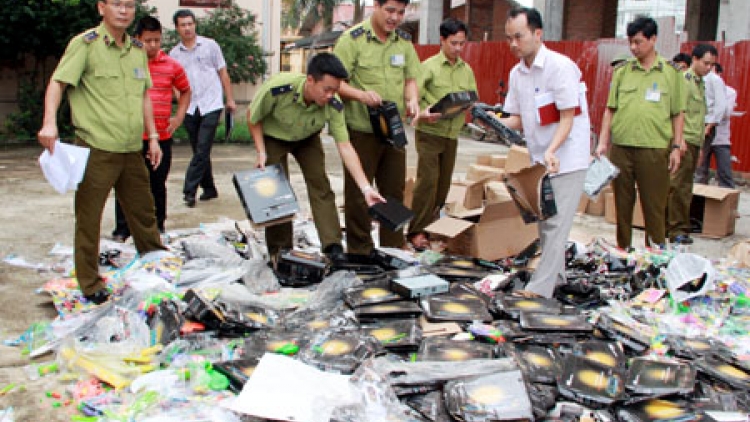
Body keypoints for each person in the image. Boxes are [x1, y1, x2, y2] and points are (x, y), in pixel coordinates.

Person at [37, 0, 166, 304]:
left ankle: (156, 267)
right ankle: (91, 284)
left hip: (131, 148)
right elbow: (58, 83)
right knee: (89, 218)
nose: (124, 10)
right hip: (96, 149)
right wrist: (49, 122)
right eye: (117, 4)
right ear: (101, 8)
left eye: (129, 5)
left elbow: (144, 95)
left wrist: (154, 137)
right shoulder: (85, 45)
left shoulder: (136, 49)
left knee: (145, 214)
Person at [492, 7, 590, 298]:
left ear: (538, 33)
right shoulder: (517, 74)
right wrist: (491, 120)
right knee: (545, 223)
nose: (513, 44)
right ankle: (557, 277)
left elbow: (568, 116)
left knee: (557, 224)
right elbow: (517, 118)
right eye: (509, 38)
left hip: (567, 158)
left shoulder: (560, 67)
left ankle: (539, 290)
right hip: (541, 160)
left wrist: (552, 150)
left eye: (518, 37)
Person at [247, 53, 385, 258]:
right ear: (310, 80)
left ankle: (332, 246)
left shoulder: (334, 104)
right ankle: (280, 250)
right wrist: (261, 152)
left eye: (335, 90)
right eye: (326, 89)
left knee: (320, 185)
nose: (330, 95)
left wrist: (366, 188)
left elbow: (345, 147)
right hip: (274, 137)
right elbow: (253, 117)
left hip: (308, 138)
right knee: (277, 192)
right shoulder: (277, 90)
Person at [333, 0, 421, 255]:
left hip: (393, 131)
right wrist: (360, 95)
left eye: (401, 13)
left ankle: (392, 248)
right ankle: (360, 251)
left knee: (394, 190)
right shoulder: (352, 40)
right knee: (360, 193)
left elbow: (411, 79)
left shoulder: (403, 43)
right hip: (361, 130)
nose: (395, 18)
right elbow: (335, 83)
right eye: (390, 11)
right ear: (376, 6)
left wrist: (412, 99)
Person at [596, 15, 685, 249]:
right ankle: (624, 250)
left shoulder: (670, 74)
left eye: (638, 42)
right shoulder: (623, 72)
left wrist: (676, 147)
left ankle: (654, 255)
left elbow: (678, 113)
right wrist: (603, 142)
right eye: (630, 43)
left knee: (654, 205)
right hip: (621, 149)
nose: (633, 48)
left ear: (653, 39)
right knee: (622, 205)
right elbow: (610, 109)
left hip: (654, 150)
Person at [111, 16, 192, 242]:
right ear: (137, 39)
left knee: (157, 183)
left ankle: (158, 227)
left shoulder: (171, 65)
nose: (153, 45)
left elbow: (185, 91)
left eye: (157, 40)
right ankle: (123, 229)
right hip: (132, 136)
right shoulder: (127, 62)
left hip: (161, 136)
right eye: (148, 41)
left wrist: (178, 117)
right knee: (127, 184)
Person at [406, 18, 477, 250]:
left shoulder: (466, 70)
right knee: (427, 182)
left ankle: (432, 226)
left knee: (443, 184)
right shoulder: (429, 67)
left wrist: (468, 105)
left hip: (451, 134)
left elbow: (471, 96)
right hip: (429, 131)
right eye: (454, 43)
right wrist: (423, 112)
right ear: (442, 40)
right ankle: (416, 231)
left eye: (461, 44)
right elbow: (414, 98)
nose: (458, 48)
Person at [170, 9, 236, 208]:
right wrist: (179, 101)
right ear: (177, 28)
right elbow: (173, 83)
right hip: (189, 107)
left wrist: (230, 99)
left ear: (195, 24)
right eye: (183, 25)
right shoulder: (174, 54)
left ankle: (189, 190)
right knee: (199, 149)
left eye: (190, 24)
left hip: (211, 103)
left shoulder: (210, 46)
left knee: (202, 147)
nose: (187, 28)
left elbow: (223, 73)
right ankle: (209, 188)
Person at [666, 44, 716, 245]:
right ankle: (675, 229)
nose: (708, 68)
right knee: (678, 186)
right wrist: (680, 141)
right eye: (705, 63)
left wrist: (701, 145)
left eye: (712, 64)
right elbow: (678, 113)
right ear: (694, 59)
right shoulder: (685, 81)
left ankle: (678, 226)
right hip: (684, 140)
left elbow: (699, 117)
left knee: (685, 186)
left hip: (695, 141)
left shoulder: (700, 83)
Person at [696, 63, 735, 188]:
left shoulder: (730, 92)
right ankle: (697, 202)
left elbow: (726, 112)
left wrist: (710, 121)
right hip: (703, 134)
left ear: (718, 73)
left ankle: (727, 204)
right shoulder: (701, 86)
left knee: (724, 172)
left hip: (720, 138)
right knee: (700, 171)